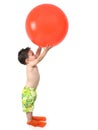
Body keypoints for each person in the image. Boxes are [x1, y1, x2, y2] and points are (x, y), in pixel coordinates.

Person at [18, 46, 51, 127]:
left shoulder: (31, 61)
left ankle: (31, 117)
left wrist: (40, 46)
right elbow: (39, 58)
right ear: (27, 60)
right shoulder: (30, 65)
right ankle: (29, 121)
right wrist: (46, 50)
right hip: (28, 92)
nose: (35, 55)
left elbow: (37, 55)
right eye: (32, 54)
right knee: (29, 107)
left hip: (31, 91)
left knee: (31, 105)